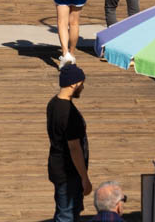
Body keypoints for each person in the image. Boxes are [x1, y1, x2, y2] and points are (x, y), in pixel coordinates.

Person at [46, 63, 92, 222]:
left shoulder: (53, 104)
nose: (83, 87)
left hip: (57, 166)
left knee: (68, 212)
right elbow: (74, 148)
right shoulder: (68, 113)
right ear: (74, 83)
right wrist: (84, 178)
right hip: (68, 173)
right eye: (82, 83)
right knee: (66, 216)